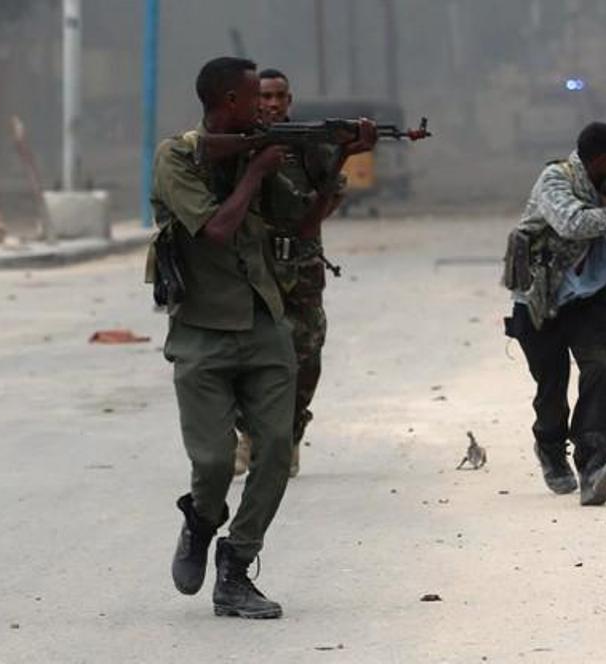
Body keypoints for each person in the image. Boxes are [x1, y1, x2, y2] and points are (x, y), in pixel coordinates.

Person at [152, 56, 294, 619]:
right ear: (228, 102)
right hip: (202, 331)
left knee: (277, 450)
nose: (265, 104)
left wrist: (331, 159)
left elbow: (300, 222)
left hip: (263, 323)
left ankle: (236, 566)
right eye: (254, 96)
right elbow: (214, 231)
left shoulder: (258, 148)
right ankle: (201, 523)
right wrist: (256, 170)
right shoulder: (177, 157)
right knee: (213, 463)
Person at [504, 122, 606, 506]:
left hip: (592, 300)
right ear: (600, 160)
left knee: (601, 370)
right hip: (542, 297)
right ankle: (550, 446)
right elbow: (573, 223)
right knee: (551, 388)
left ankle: (594, 462)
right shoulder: (555, 179)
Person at [232, 68, 377, 478]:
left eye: (280, 97)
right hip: (251, 266)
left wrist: (312, 209)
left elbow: (332, 194)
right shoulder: (235, 142)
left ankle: (290, 434)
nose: (273, 104)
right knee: (244, 354)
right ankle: (248, 436)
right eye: (264, 96)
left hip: (301, 265)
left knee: (305, 354)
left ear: (290, 101)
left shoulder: (306, 144)